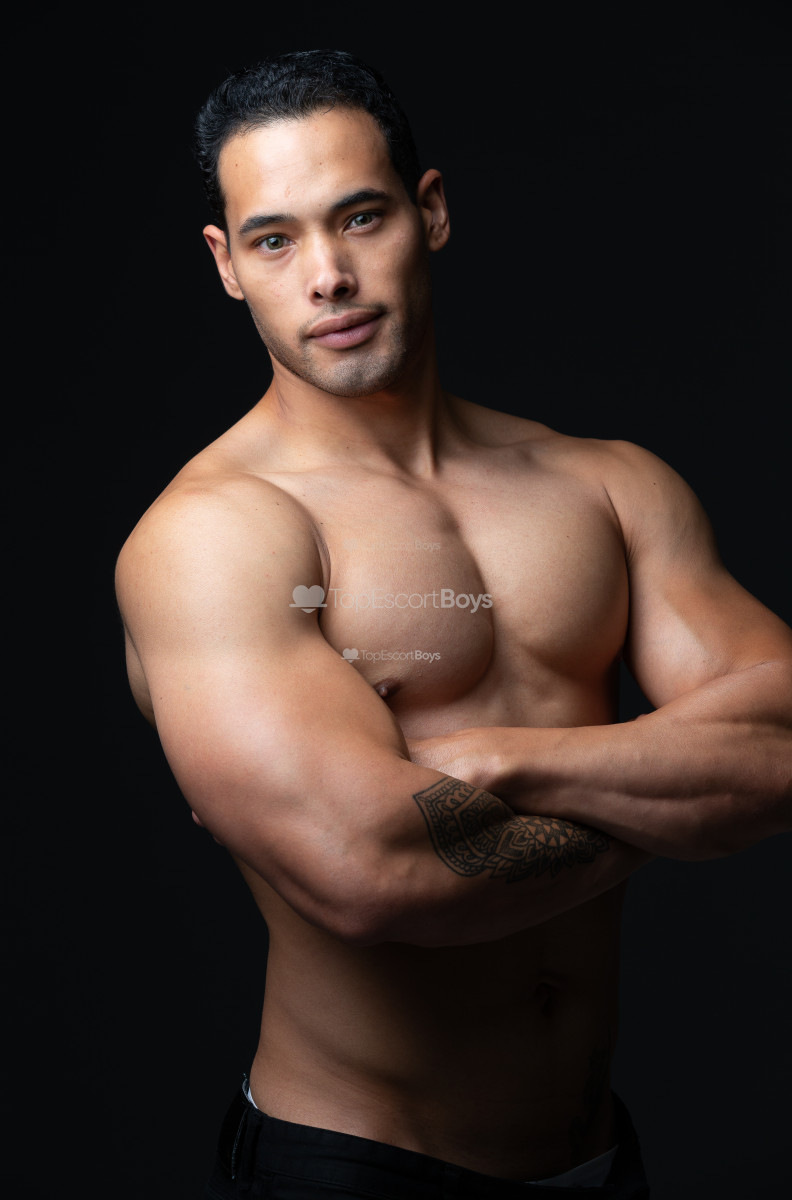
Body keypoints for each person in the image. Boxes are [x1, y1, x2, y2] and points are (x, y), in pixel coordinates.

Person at [114, 49, 792, 1198]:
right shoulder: (217, 537)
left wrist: (505, 763)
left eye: (359, 217)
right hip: (356, 1165)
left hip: (596, 1156)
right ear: (226, 265)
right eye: (274, 240)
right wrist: (697, 805)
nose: (326, 276)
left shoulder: (607, 485)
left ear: (427, 211)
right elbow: (369, 868)